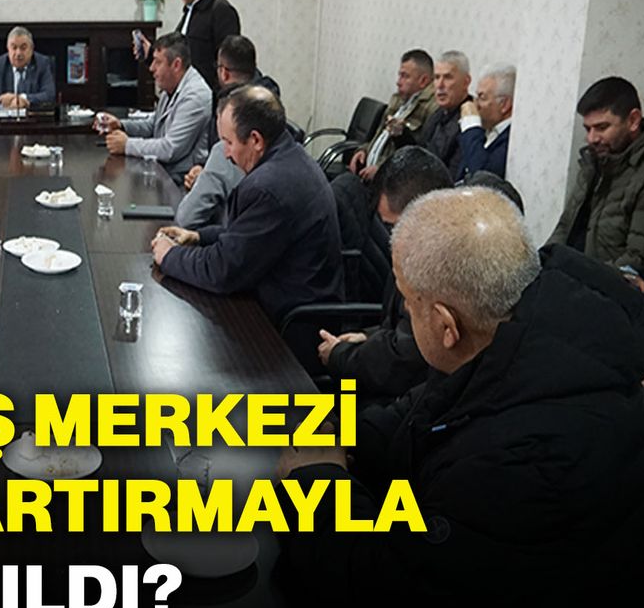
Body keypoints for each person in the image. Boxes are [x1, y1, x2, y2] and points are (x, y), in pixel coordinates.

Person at [275, 186, 644, 608]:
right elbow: (422, 414)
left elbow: (388, 588)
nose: (406, 315)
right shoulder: (521, 334)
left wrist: (315, 484)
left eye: (409, 303)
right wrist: (339, 434)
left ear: (445, 325)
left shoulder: (523, 460)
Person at [151, 86, 344, 322]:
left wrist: (169, 256)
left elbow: (223, 270)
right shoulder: (292, 156)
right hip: (286, 298)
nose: (226, 154)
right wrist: (198, 237)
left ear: (255, 140)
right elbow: (250, 236)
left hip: (288, 323)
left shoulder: (268, 187)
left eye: (228, 142)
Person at [317, 147, 451, 402]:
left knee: (271, 418)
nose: (392, 239)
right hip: (388, 394)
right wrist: (366, 337)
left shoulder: (439, 271)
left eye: (394, 226)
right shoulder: (415, 250)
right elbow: (397, 328)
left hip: (400, 404)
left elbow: (403, 362)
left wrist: (340, 356)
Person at [547, 76, 644, 274]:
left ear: (633, 120)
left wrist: (578, 280)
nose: (592, 138)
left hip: (604, 284)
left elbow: (638, 260)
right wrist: (542, 263)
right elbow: (566, 226)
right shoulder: (597, 157)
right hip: (573, 273)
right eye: (588, 129)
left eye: (602, 127)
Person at [176, 35, 279, 229]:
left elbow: (186, 218)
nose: (227, 150)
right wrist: (206, 170)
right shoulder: (271, 115)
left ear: (223, 72)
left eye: (228, 142)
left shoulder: (231, 119)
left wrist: (209, 174)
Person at [95, 33, 212, 185]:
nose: (151, 68)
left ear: (176, 65)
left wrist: (127, 145)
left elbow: (170, 149)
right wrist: (121, 125)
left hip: (181, 182)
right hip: (161, 173)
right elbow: (154, 125)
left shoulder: (195, 96)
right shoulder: (171, 86)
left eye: (157, 62)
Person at [135, 0, 240, 90]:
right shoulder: (190, 11)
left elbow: (229, 65)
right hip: (186, 93)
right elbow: (178, 54)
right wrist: (151, 53)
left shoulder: (222, 11)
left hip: (206, 96)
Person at [348, 49, 437, 180]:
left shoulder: (432, 108)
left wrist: (382, 169)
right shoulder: (398, 99)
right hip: (366, 172)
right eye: (399, 75)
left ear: (423, 81)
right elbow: (380, 134)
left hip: (390, 180)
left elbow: (417, 155)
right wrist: (363, 150)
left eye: (405, 76)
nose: (398, 82)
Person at [415, 50, 473, 176]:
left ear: (466, 81)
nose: (440, 85)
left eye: (448, 77)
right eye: (437, 77)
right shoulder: (438, 114)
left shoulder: (470, 120)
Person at [456, 62, 514, 180]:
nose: (475, 105)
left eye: (482, 98)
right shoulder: (486, 131)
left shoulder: (511, 139)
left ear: (504, 104)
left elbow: (482, 177)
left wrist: (471, 125)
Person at [0, 26, 56, 109]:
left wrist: (22, 99)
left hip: (33, 116)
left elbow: (49, 95)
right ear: (8, 49)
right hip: (6, 117)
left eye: (23, 48)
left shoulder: (42, 63)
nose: (18, 53)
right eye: (14, 48)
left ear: (32, 49)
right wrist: (3, 102)